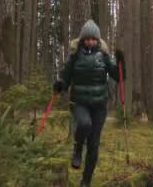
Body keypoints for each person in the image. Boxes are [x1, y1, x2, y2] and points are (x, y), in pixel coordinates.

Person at [53, 20, 125, 187]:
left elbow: (118, 76)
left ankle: (86, 181)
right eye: (87, 39)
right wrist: (59, 85)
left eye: (94, 39)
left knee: (94, 145)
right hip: (79, 102)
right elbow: (65, 76)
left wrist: (121, 63)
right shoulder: (74, 56)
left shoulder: (104, 56)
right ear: (82, 40)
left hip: (99, 105)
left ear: (98, 40)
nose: (90, 42)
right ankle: (77, 148)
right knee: (84, 124)